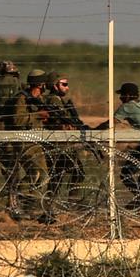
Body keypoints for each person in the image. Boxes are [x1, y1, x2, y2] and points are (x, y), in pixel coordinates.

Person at [98, 67, 140, 210]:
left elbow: (110, 123)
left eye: (122, 95)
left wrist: (92, 132)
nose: (120, 98)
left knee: (126, 174)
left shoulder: (127, 107)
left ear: (128, 96)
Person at [7, 69, 52, 222]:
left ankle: (32, 208)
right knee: (36, 174)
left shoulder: (38, 98)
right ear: (40, 84)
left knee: (43, 176)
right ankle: (19, 202)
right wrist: (37, 115)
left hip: (36, 141)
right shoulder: (22, 98)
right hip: (24, 141)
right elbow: (17, 120)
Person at [42, 71, 88, 210]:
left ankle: (51, 205)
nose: (67, 87)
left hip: (61, 143)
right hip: (58, 143)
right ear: (55, 86)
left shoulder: (58, 100)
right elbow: (55, 120)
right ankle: (69, 203)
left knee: (58, 176)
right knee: (76, 172)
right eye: (64, 84)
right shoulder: (53, 100)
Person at [0, 60, 23, 213]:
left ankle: (13, 201)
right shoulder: (20, 87)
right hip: (18, 128)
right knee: (16, 167)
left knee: (8, 166)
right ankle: (15, 202)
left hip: (0, 128)